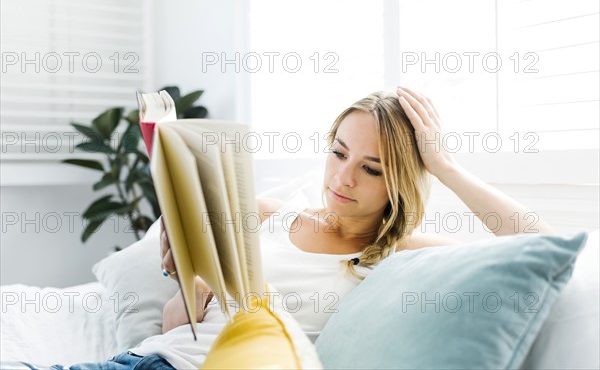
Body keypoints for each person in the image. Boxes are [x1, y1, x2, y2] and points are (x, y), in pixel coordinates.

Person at [31, 86, 555, 369]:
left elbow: (540, 245)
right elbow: (177, 325)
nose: (343, 178)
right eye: (338, 153)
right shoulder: (264, 213)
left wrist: (443, 165)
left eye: (371, 168)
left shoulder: (397, 254)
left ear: (399, 184)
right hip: (149, 359)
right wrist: (188, 271)